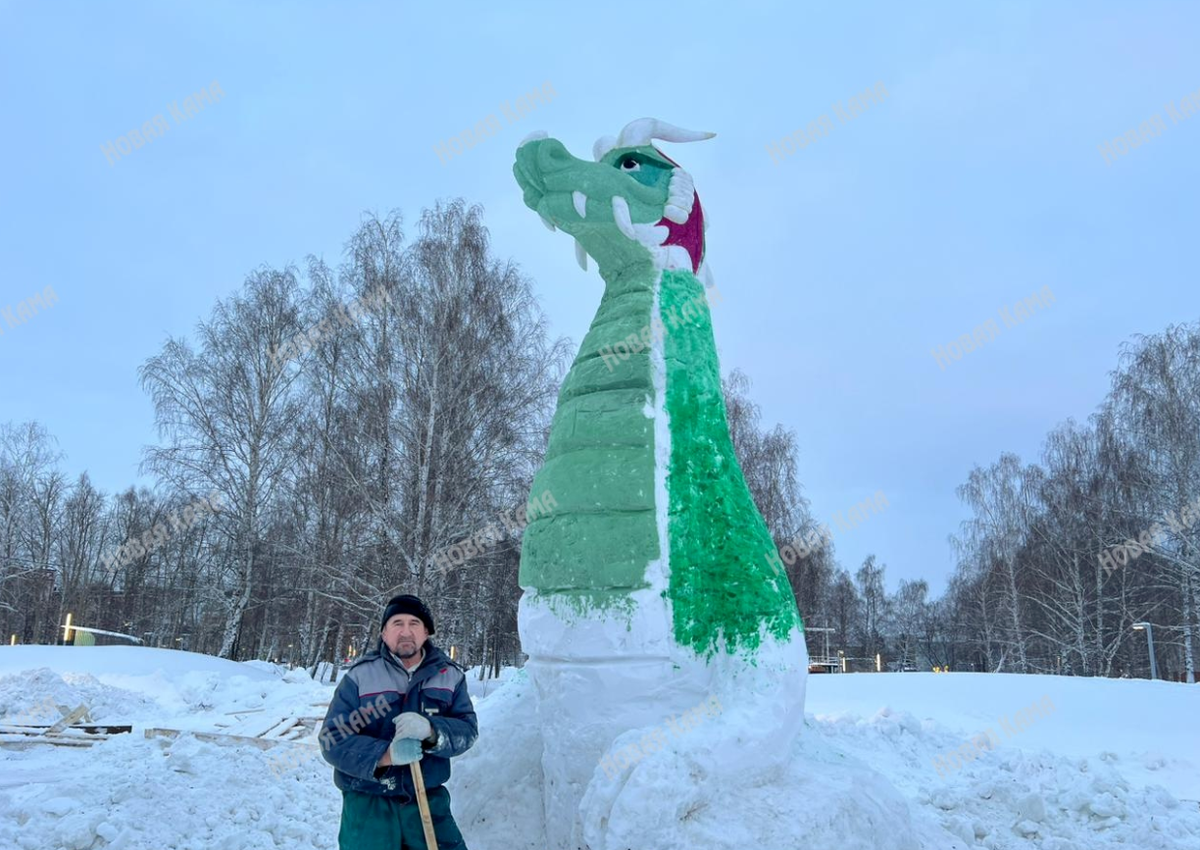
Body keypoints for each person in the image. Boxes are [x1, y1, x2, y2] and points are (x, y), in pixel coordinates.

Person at [320, 593, 477, 849]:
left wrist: (432, 731)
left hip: (428, 803)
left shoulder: (449, 676)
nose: (406, 632)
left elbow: (467, 731)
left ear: (426, 632)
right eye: (397, 623)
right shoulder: (360, 676)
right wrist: (386, 755)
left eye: (414, 623)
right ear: (384, 633)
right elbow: (332, 740)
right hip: (368, 807)